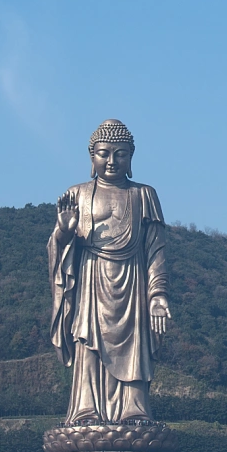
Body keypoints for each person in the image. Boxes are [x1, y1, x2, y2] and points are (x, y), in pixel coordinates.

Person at [48, 119, 171, 424]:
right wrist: (63, 234)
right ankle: (86, 411)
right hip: (90, 281)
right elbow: (58, 247)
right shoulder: (77, 194)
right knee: (88, 343)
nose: (112, 161)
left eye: (121, 154)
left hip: (133, 281)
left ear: (131, 158)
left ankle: (135, 411)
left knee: (134, 347)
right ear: (92, 158)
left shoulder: (144, 195)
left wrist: (157, 295)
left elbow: (156, 250)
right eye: (104, 154)